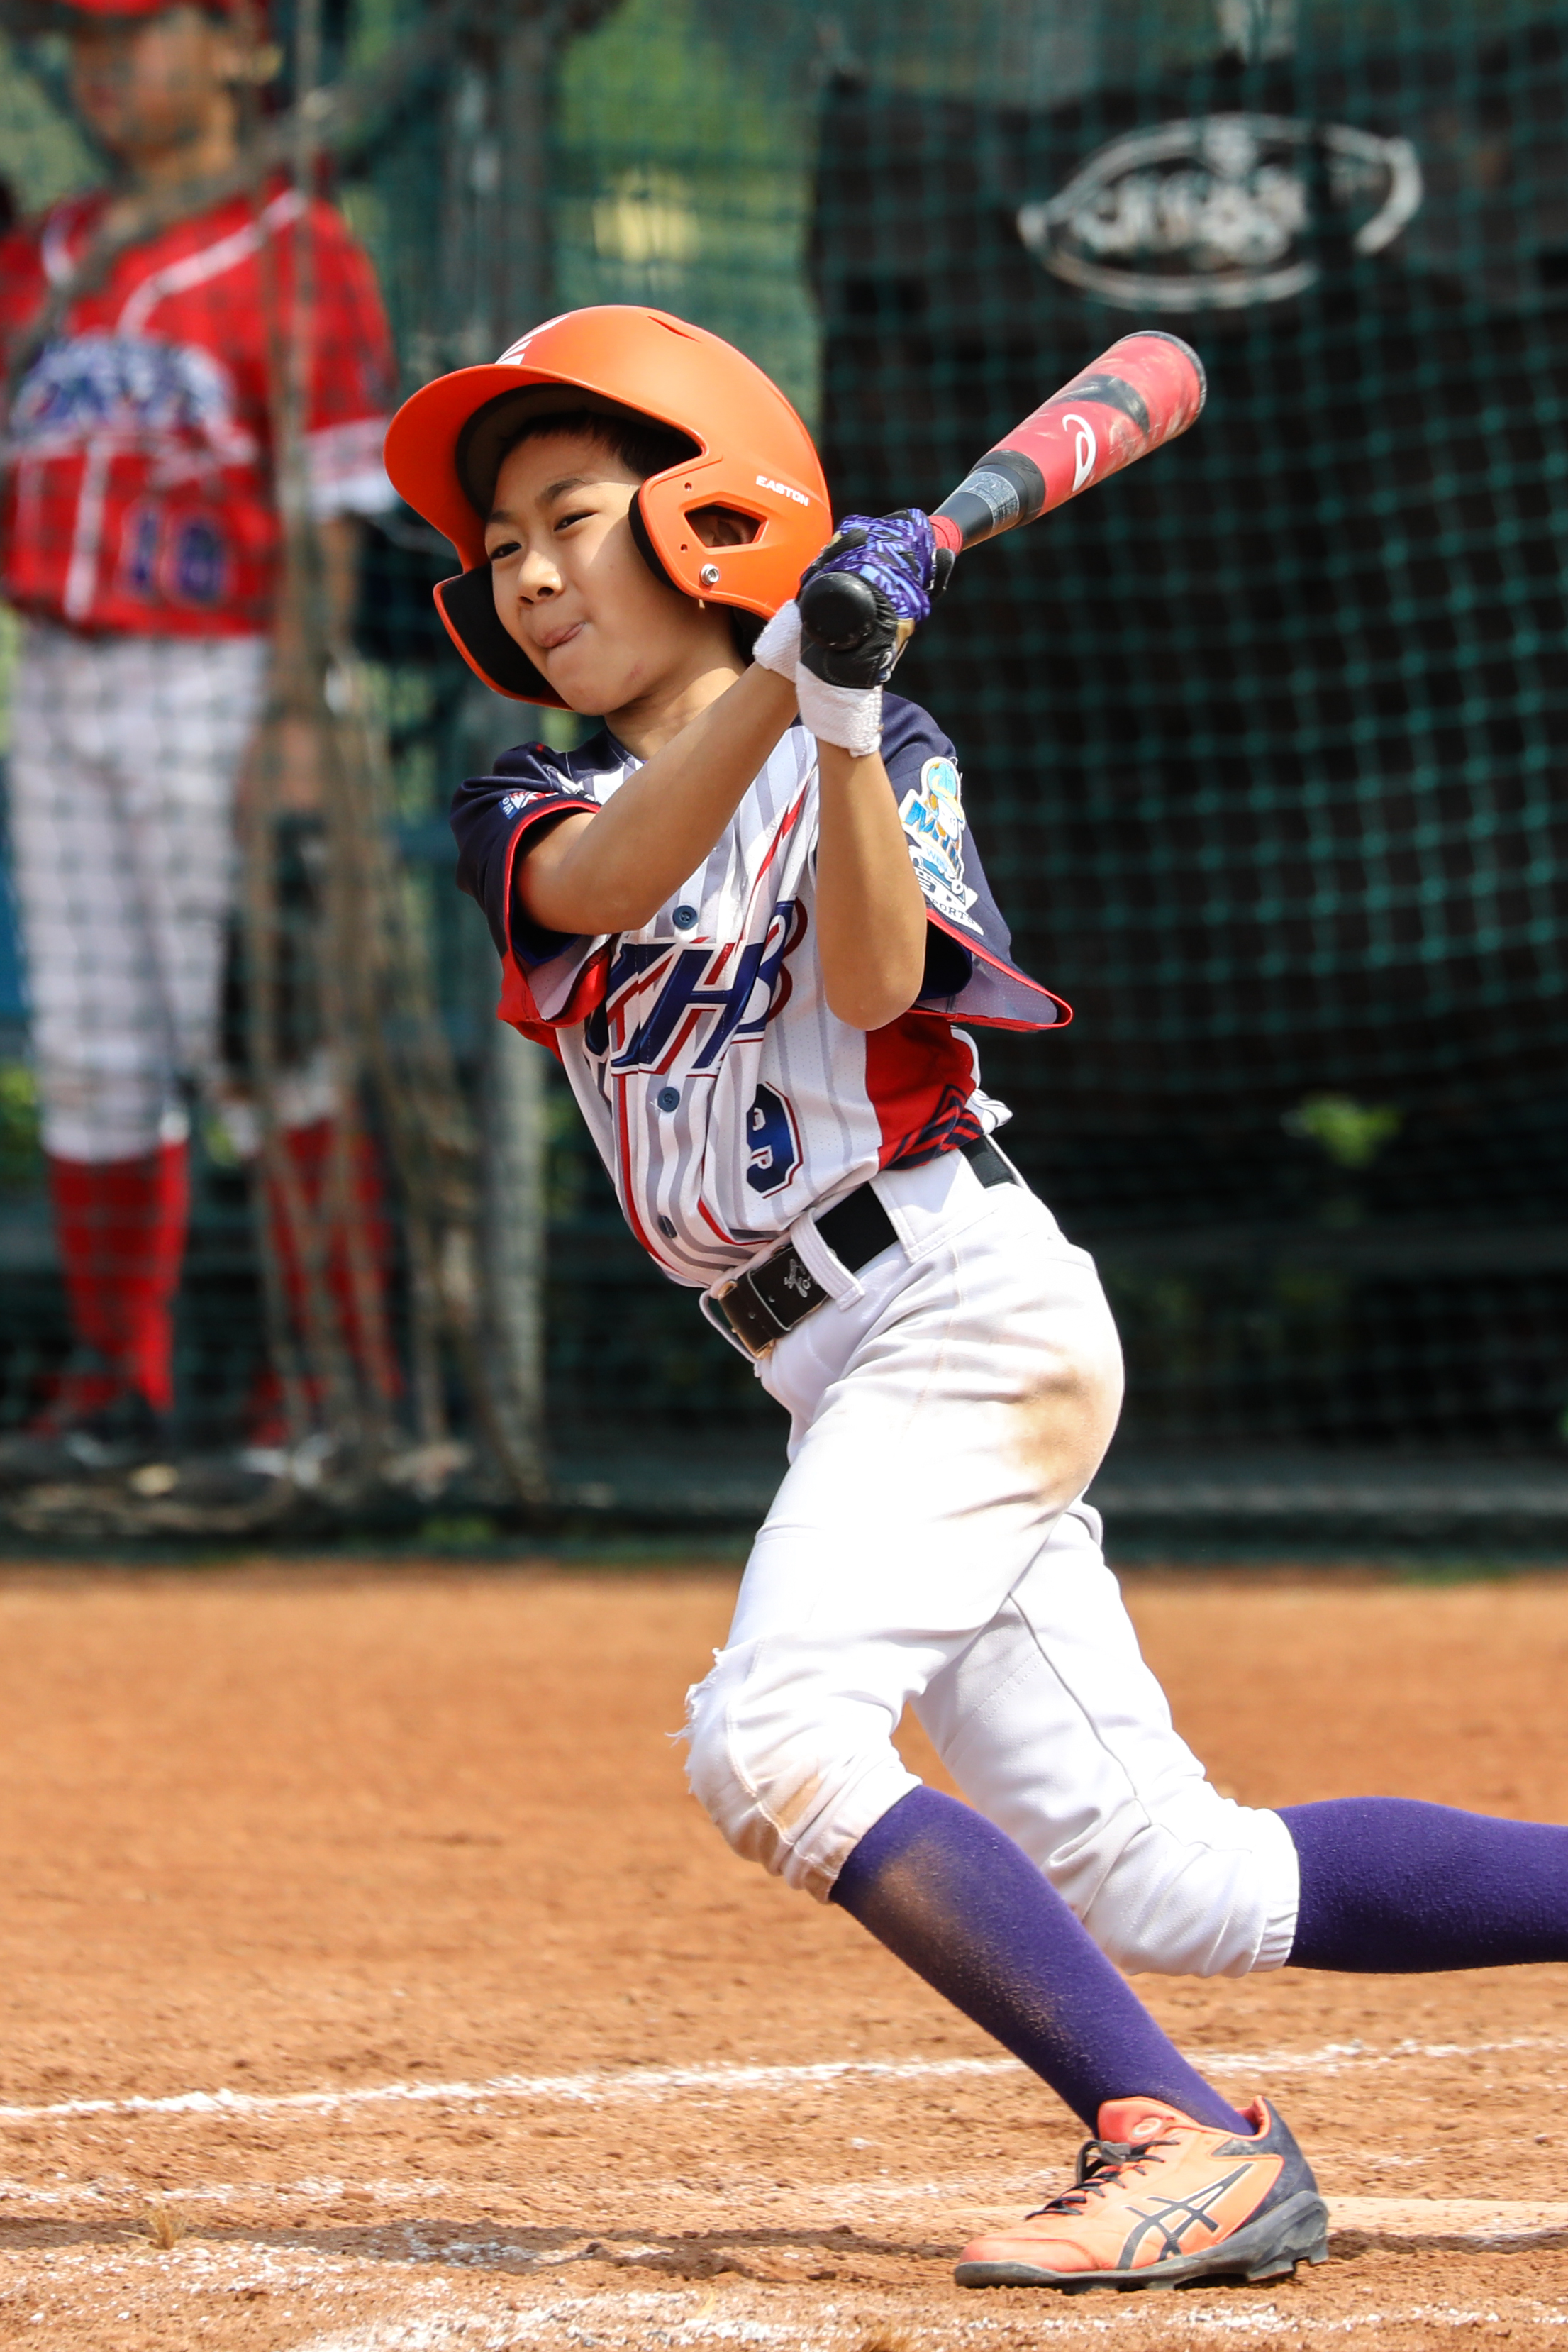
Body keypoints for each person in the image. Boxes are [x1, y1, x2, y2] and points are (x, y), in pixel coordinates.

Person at [387, 305, 1568, 2292]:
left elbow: (874, 977)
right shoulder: (526, 801)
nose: (524, 570)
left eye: (570, 516)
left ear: (706, 518)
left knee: (772, 1738)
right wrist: (793, 671)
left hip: (954, 1301)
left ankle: (1176, 2133)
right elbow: (604, 886)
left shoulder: (881, 748)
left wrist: (842, 708)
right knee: (1174, 1873)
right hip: (825, 1354)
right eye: (499, 543)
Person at [0, 0, 399, 1476]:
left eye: (141, 32)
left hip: (224, 675)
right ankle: (120, 1383)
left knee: (266, 1041)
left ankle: (333, 1390)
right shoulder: (45, 255)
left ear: (241, 44)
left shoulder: (299, 249)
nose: (106, 65)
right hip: (59, 674)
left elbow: (329, 513)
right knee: (94, 1049)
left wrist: (294, 719)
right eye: (85, 41)